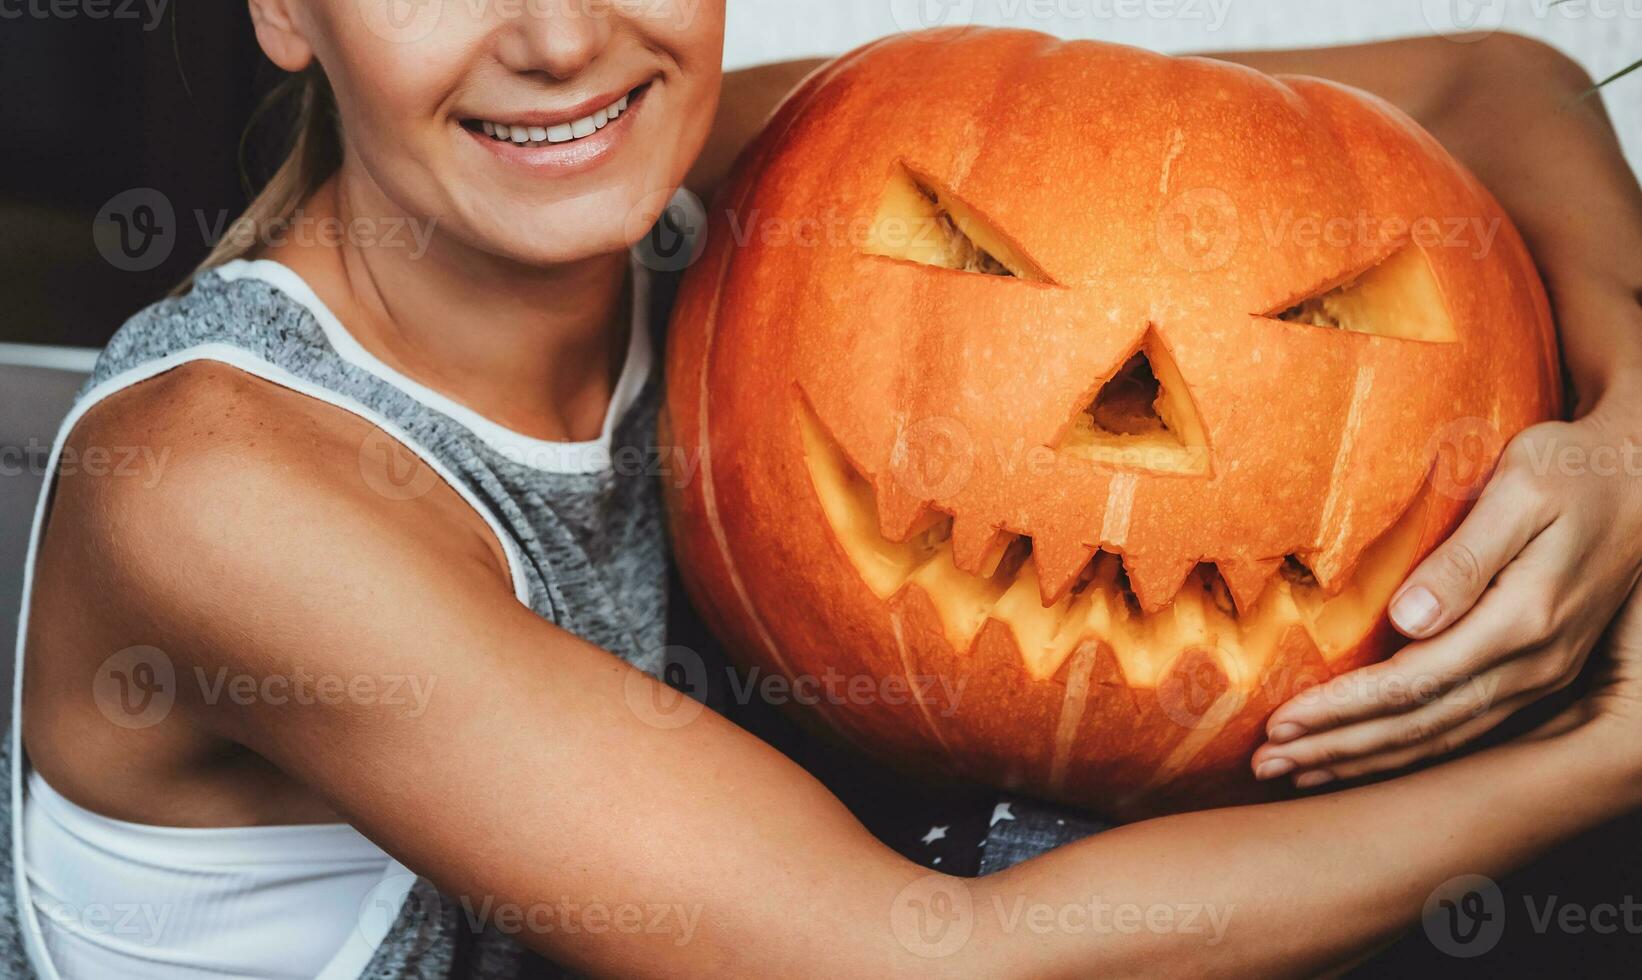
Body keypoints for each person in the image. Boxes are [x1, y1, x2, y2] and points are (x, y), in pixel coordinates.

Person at [8, 2, 1642, 977]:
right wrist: (1601, 750)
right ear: (291, 15)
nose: (562, 39)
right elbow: (899, 965)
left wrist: (1632, 419)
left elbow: (1496, 80)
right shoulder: (216, 482)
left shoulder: (702, 164)